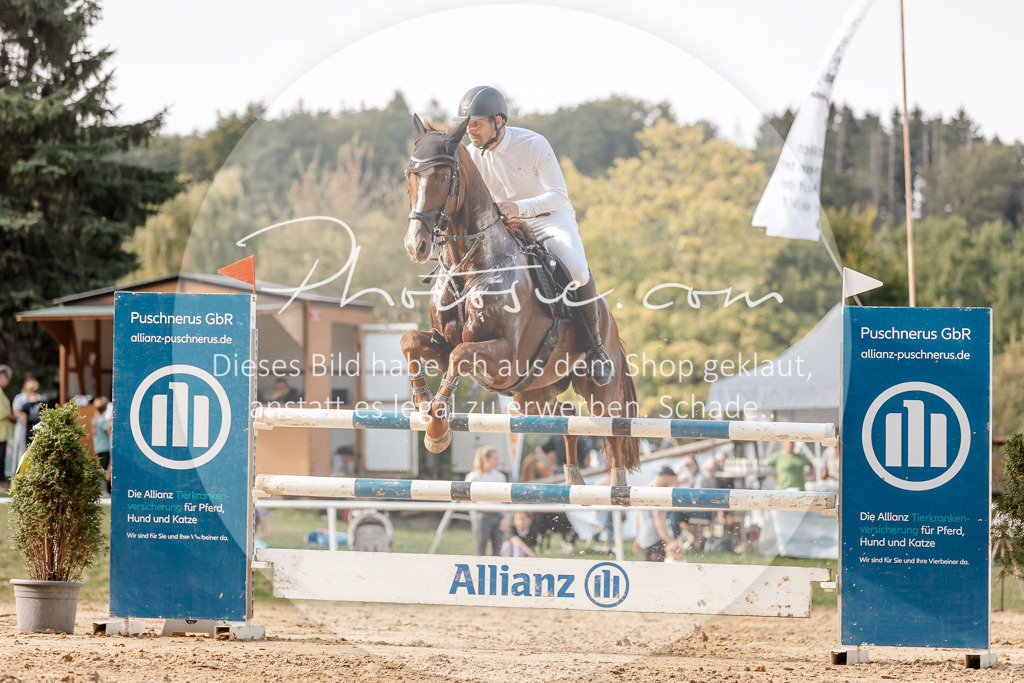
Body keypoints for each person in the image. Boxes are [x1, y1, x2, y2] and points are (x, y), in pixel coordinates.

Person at [456, 85, 612, 385]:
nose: (470, 131)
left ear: (498, 121)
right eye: (467, 124)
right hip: (506, 228)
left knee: (578, 271)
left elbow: (558, 196)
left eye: (476, 123)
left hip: (549, 219)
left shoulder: (533, 143)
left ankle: (596, 347)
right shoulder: (472, 156)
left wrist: (520, 207)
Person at [465, 446, 507, 555]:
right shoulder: (473, 477)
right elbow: (464, 499)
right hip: (482, 515)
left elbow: (503, 500)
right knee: (480, 551)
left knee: (498, 552)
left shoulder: (500, 477)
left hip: (498, 515)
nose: (498, 462)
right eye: (495, 459)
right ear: (486, 459)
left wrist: (506, 518)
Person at [633, 466, 680, 561]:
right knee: (660, 574)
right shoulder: (659, 494)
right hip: (656, 540)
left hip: (645, 539)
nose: (673, 482)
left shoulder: (646, 490)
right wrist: (670, 542)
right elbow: (658, 522)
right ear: (666, 476)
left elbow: (638, 517)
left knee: (650, 573)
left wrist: (638, 537)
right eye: (672, 479)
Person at [92, 396, 112, 494]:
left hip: (98, 446)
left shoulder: (95, 419)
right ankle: (103, 489)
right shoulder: (102, 419)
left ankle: (102, 488)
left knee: (101, 467)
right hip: (105, 447)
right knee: (105, 469)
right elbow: (109, 432)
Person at [0, 365, 14, 490]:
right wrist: (10, 416)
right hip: (0, 431)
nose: (8, 382)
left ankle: (2, 481)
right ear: (3, 376)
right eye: (8, 379)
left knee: (1, 457)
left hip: (3, 432)